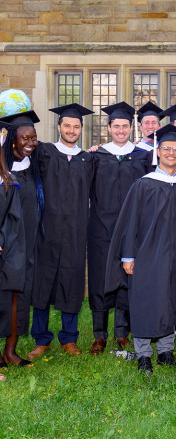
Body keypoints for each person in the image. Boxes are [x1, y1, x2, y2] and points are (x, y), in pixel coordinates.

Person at [105, 124, 176, 375]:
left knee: (171, 298)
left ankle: (166, 350)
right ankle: (143, 353)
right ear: (158, 150)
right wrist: (128, 255)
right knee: (145, 300)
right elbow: (130, 222)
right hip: (147, 254)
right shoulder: (143, 184)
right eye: (166, 148)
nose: (171, 153)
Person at [26, 103, 94, 360]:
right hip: (47, 230)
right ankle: (41, 338)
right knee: (43, 284)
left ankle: (69, 338)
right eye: (67, 125)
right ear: (59, 126)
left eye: (76, 126)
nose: (71, 130)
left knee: (72, 282)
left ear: (81, 129)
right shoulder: (44, 152)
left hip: (76, 232)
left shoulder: (87, 159)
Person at [87, 102, 150, 354]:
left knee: (127, 278)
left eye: (125, 126)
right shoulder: (96, 156)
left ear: (131, 127)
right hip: (101, 228)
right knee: (100, 279)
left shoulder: (143, 157)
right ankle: (99, 335)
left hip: (130, 230)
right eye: (116, 126)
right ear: (109, 128)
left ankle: (122, 333)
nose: (121, 130)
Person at [0, 111, 40, 366]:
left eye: (33, 137)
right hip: (7, 240)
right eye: (24, 137)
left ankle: (11, 349)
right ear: (12, 139)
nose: (30, 142)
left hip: (28, 240)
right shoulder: (3, 170)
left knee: (19, 293)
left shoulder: (36, 164)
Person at [0, 122, 27, 376]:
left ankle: (8, 351)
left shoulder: (8, 179)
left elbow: (13, 217)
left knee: (8, 298)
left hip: (6, 247)